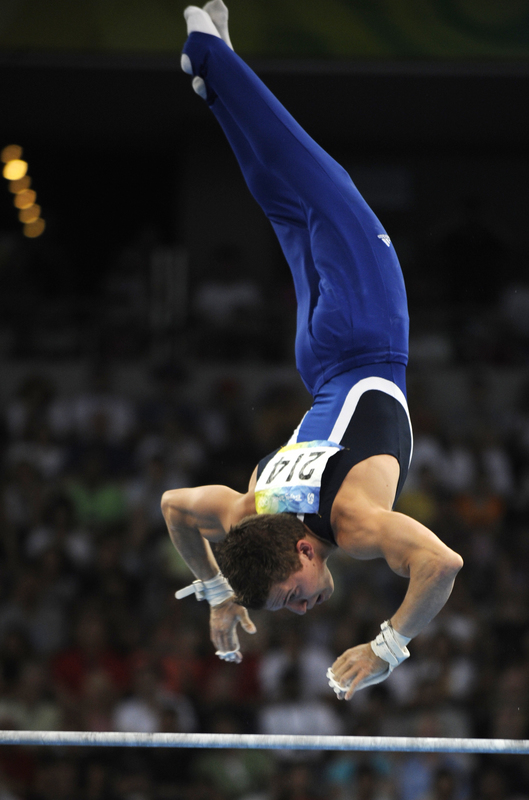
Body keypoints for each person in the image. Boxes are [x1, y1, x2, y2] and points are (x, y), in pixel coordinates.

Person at [161, 1, 463, 700]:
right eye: (292, 607)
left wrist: (388, 648)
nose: (302, 608)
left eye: (290, 596)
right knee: (287, 205)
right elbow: (175, 507)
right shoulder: (245, 515)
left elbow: (441, 565)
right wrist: (216, 589)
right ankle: (218, 84)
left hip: (365, 338)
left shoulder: (351, 524)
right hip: (319, 360)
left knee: (319, 181)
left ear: (302, 548)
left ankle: (207, 57)